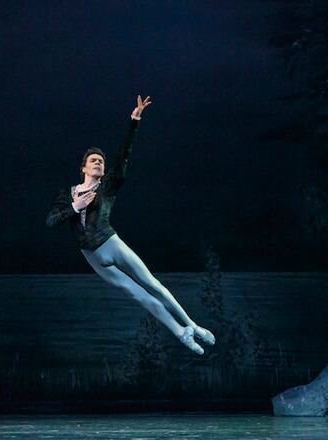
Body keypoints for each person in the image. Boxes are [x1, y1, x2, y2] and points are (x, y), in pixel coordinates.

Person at [46, 95, 215, 355]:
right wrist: (75, 208)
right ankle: (182, 334)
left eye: (101, 161)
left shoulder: (107, 186)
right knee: (138, 295)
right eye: (93, 160)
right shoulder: (68, 194)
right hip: (91, 256)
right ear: (83, 168)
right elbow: (51, 221)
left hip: (110, 243)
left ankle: (194, 325)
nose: (99, 162)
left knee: (153, 285)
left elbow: (123, 156)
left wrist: (134, 122)